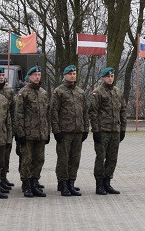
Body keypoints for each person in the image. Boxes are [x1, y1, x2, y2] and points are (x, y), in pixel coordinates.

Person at [50, 64, 89, 196]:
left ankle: (71, 182)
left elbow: (85, 112)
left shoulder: (80, 92)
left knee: (75, 158)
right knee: (63, 159)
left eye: (74, 73)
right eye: (70, 73)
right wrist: (56, 130)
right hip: (65, 131)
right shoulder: (59, 92)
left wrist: (85, 129)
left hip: (77, 130)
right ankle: (63, 183)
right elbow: (54, 112)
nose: (73, 75)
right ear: (65, 76)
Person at [89, 67, 126, 195]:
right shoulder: (98, 92)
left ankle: (107, 182)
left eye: (112, 76)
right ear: (103, 78)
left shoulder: (117, 92)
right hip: (103, 130)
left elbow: (123, 111)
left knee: (112, 158)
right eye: (108, 76)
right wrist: (96, 131)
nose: (110, 78)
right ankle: (99, 184)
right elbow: (93, 112)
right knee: (101, 157)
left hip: (115, 130)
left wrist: (123, 129)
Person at [14, 65, 50, 198]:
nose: (37, 77)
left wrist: (47, 132)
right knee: (27, 160)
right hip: (28, 134)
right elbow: (19, 115)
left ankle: (35, 182)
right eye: (35, 75)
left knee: (39, 159)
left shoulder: (43, 93)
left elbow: (47, 114)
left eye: (39, 75)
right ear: (29, 77)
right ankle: (26, 184)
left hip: (40, 133)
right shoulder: (23, 93)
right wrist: (20, 133)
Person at [0, 67, 16, 190]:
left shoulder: (8, 92)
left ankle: (3, 177)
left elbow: (13, 110)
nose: (1, 77)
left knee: (6, 155)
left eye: (3, 75)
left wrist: (13, 128)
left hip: (7, 129)